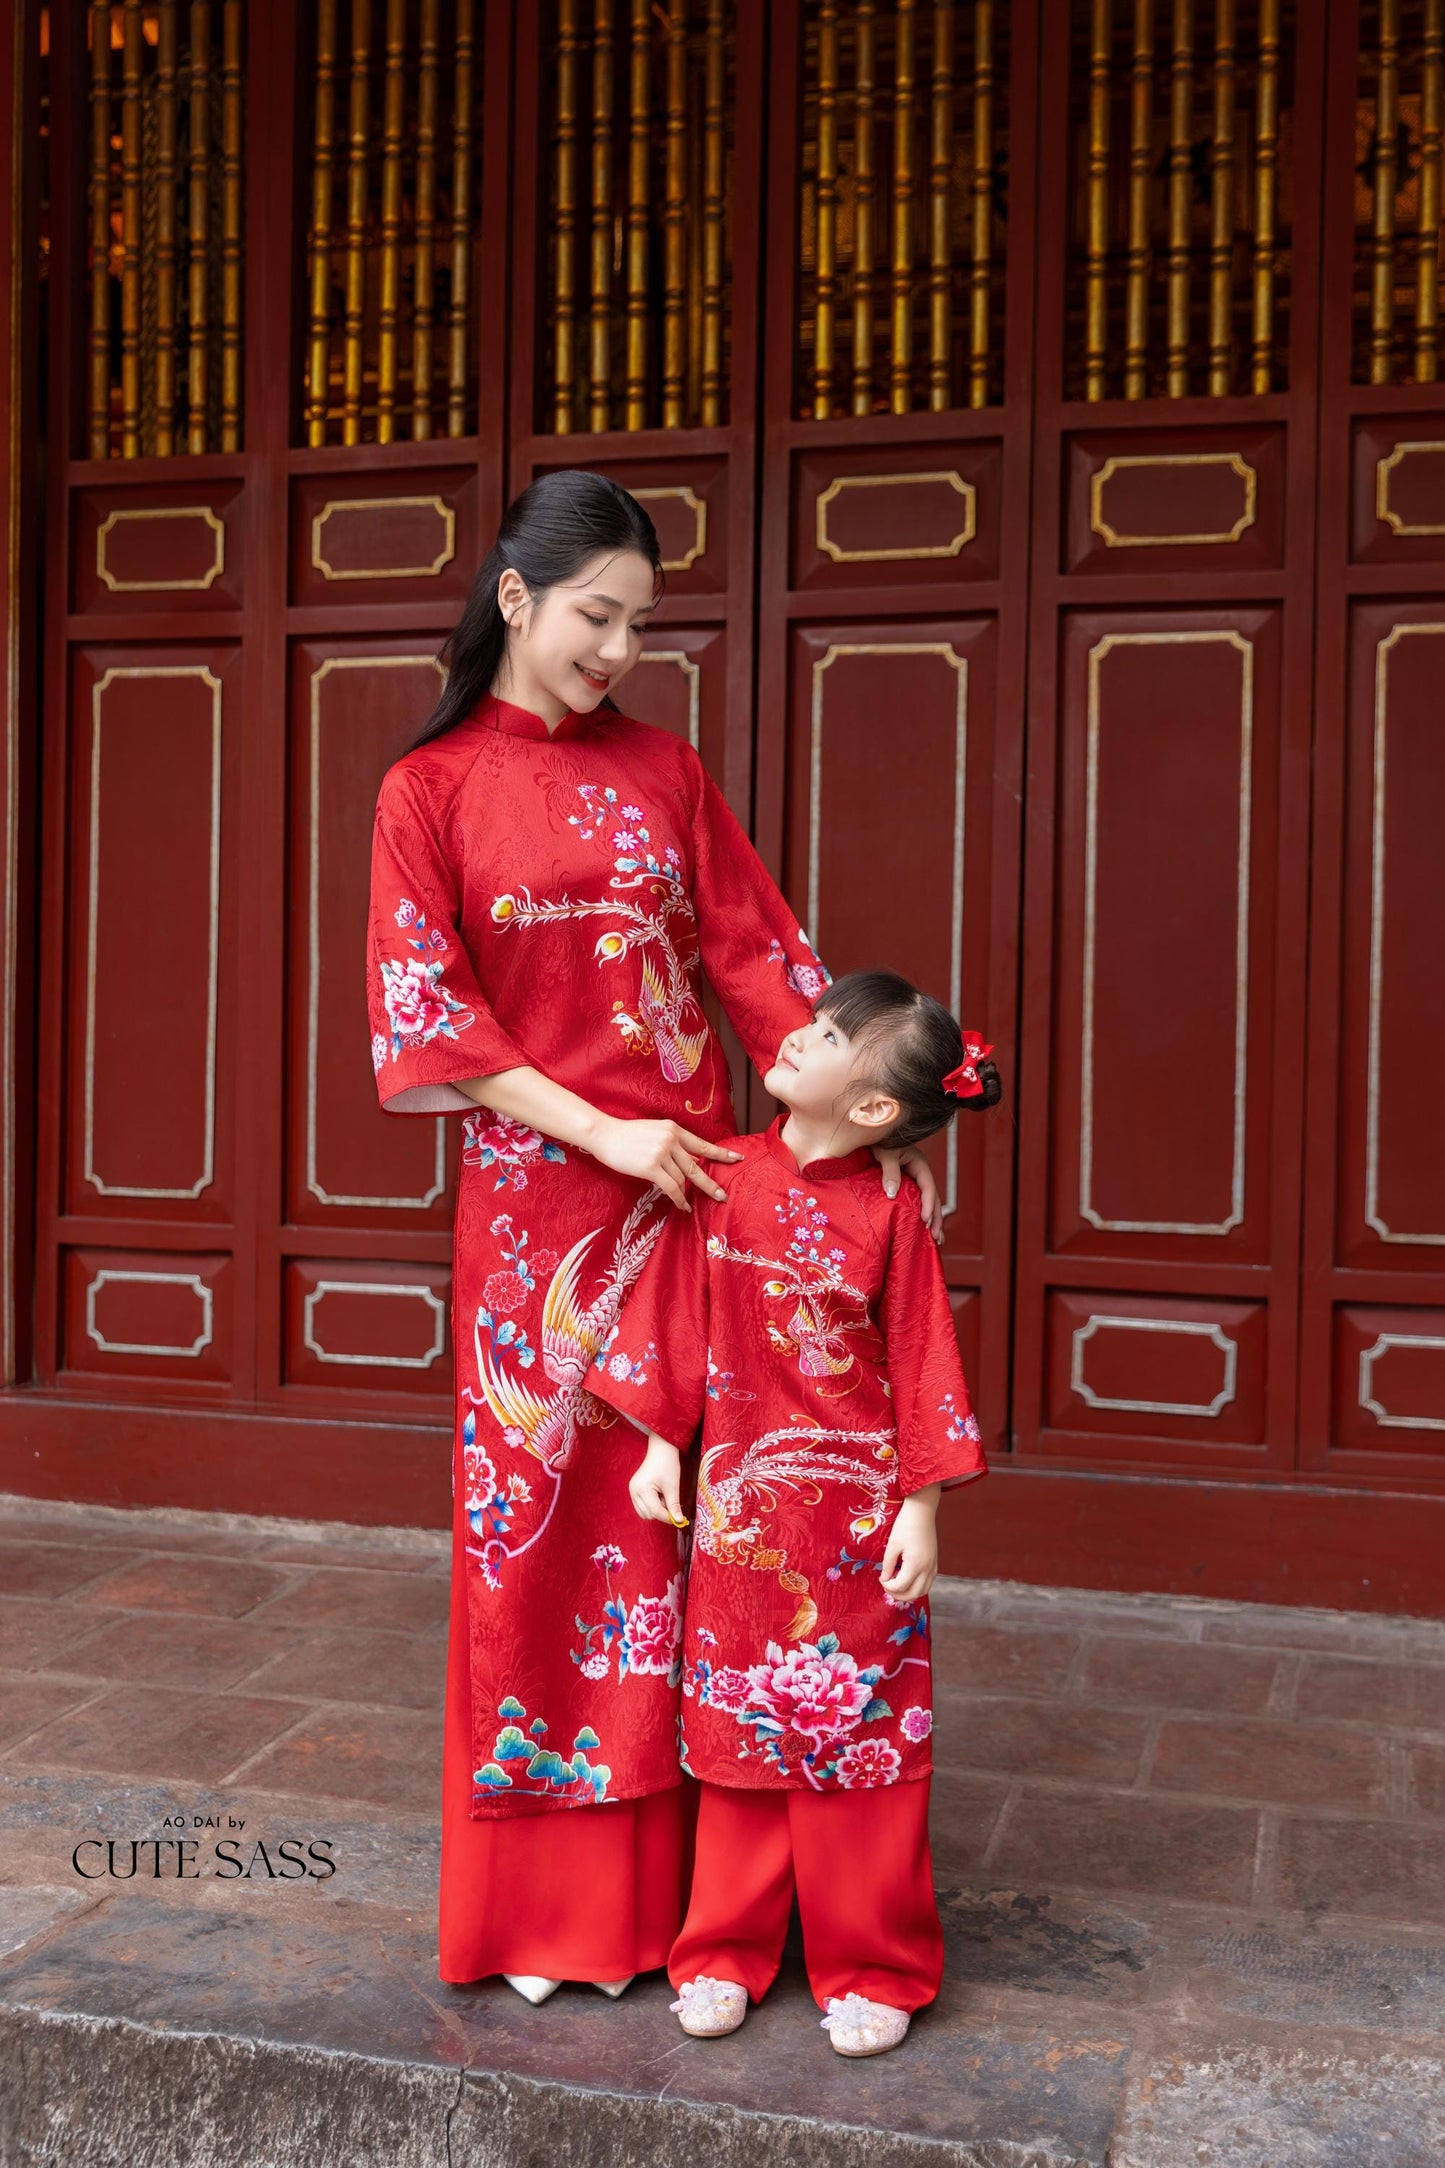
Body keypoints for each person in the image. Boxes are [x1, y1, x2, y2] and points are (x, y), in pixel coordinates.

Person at [365, 472, 942, 2001]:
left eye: (637, 624)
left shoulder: (666, 772)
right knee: (550, 1541)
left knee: (708, 1541)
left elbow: (764, 968)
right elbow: (434, 1021)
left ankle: (728, 1912)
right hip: (543, 1216)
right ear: (514, 599)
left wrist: (868, 1140)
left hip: (713, 1210)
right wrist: (607, 1129)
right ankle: (554, 1912)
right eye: (593, 617)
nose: (616, 649)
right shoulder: (425, 793)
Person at [585, 972, 999, 2055]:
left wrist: (923, 1508)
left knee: (861, 1737)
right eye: (812, 1023)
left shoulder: (893, 1208)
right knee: (735, 1732)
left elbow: (919, 1356)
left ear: (871, 1110)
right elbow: (675, 1312)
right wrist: (651, 1445)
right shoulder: (725, 1174)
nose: (794, 1038)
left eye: (821, 1036)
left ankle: (876, 1964)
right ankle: (720, 1949)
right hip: (736, 1508)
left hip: (857, 1519)